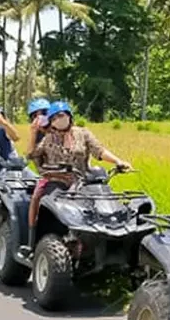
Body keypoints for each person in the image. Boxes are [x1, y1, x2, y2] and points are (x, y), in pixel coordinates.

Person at [21, 100, 130, 257]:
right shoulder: (49, 138)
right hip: (55, 180)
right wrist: (32, 133)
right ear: (51, 122)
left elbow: (99, 151)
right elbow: (32, 154)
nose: (59, 119)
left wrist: (118, 161)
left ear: (69, 116)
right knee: (39, 200)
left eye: (61, 115)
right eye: (54, 118)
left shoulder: (83, 133)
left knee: (103, 204)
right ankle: (31, 243)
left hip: (82, 181)